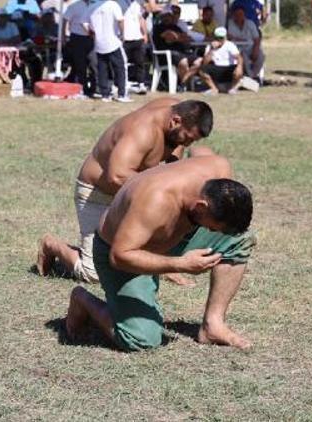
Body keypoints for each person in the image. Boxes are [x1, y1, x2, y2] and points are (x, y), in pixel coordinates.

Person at [65, 155, 255, 351]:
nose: (213, 234)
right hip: (124, 253)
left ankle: (213, 325)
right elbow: (119, 256)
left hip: (168, 238)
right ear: (201, 206)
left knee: (238, 238)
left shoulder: (219, 168)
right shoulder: (156, 200)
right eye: (214, 229)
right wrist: (180, 264)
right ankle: (83, 300)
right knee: (141, 339)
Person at [37, 99, 214, 286]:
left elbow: (174, 149)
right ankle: (52, 245)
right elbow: (116, 176)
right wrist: (160, 190)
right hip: (98, 194)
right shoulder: (142, 130)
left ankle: (163, 267)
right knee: (94, 274)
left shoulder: (175, 110)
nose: (187, 143)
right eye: (187, 138)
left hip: (131, 193)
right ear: (175, 121)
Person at [86, 0, 131, 103]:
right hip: (113, 41)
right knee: (120, 68)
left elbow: (88, 25)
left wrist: (94, 35)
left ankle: (105, 94)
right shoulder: (113, 4)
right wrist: (123, 35)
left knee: (102, 69)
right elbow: (120, 20)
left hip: (99, 42)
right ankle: (122, 93)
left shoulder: (92, 7)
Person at [152, 6, 202, 91]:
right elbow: (169, 36)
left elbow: (187, 39)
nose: (168, 18)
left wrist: (176, 37)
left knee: (200, 61)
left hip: (181, 52)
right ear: (162, 17)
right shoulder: (158, 28)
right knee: (184, 62)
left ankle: (183, 83)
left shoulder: (176, 27)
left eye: (169, 15)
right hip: (166, 55)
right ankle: (184, 85)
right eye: (166, 16)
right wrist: (179, 37)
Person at [62, 0, 95, 96]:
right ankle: (82, 88)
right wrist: (64, 36)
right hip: (77, 37)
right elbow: (65, 20)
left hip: (91, 37)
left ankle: (94, 88)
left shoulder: (94, 4)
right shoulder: (74, 6)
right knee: (80, 65)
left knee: (94, 63)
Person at [199, 27, 243, 95]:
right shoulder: (210, 46)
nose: (219, 40)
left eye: (221, 38)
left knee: (238, 70)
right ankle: (214, 89)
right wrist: (211, 49)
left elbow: (239, 57)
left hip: (229, 68)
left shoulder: (230, 45)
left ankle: (233, 88)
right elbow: (205, 62)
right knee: (202, 70)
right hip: (216, 68)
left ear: (225, 37)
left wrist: (239, 66)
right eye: (217, 37)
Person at [227, 5, 264, 81]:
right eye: (237, 15)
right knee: (243, 56)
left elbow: (257, 39)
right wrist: (239, 39)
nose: (239, 16)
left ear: (244, 15)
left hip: (250, 47)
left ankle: (252, 75)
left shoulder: (250, 24)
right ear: (233, 15)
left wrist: (256, 50)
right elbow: (230, 37)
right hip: (236, 49)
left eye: (241, 14)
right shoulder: (230, 24)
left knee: (261, 56)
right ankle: (251, 78)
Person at [122, 0, 148, 93]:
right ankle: (123, 83)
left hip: (138, 37)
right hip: (125, 38)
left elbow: (141, 19)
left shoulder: (138, 3)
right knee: (123, 63)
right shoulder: (120, 3)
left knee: (140, 62)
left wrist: (145, 34)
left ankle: (141, 83)